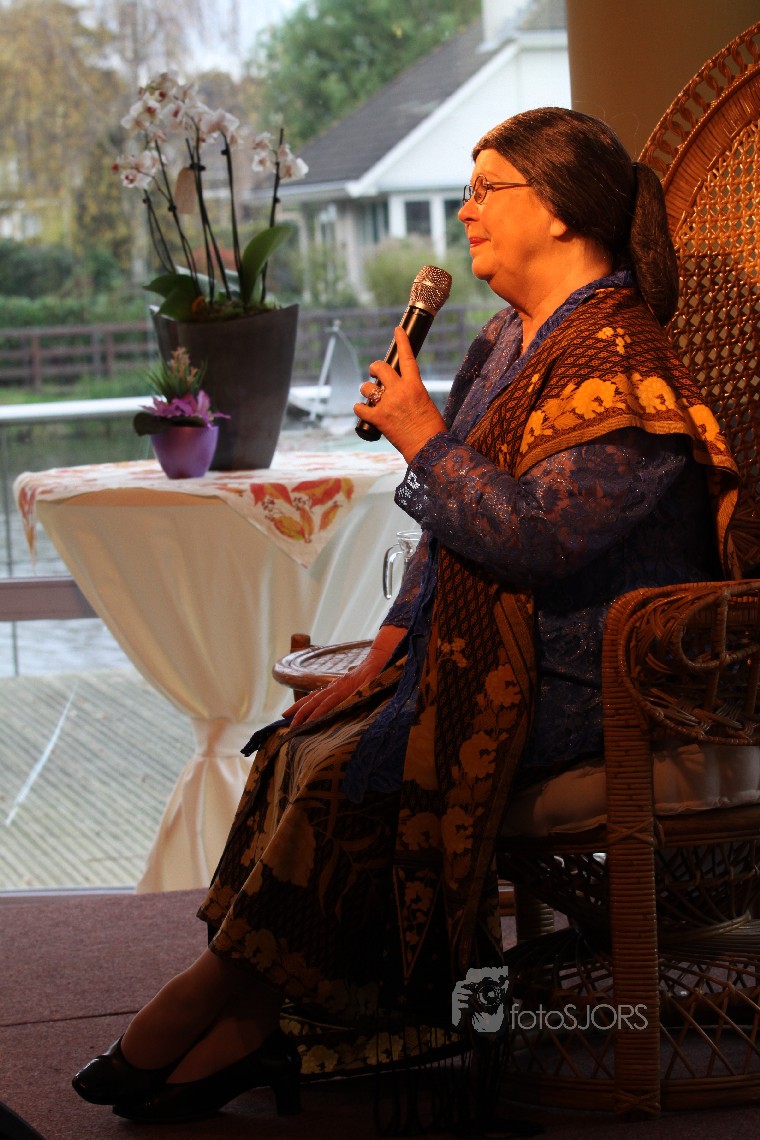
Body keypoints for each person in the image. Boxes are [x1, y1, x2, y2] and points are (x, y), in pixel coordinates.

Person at [72, 107, 744, 1129]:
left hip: (589, 676)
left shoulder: (621, 361)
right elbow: (449, 531)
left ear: (559, 210)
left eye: (486, 189)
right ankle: (262, 1019)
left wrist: (424, 439)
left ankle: (218, 1006)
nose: (465, 212)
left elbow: (538, 539)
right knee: (297, 743)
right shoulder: (508, 338)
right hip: (489, 650)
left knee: (353, 770)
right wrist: (381, 658)